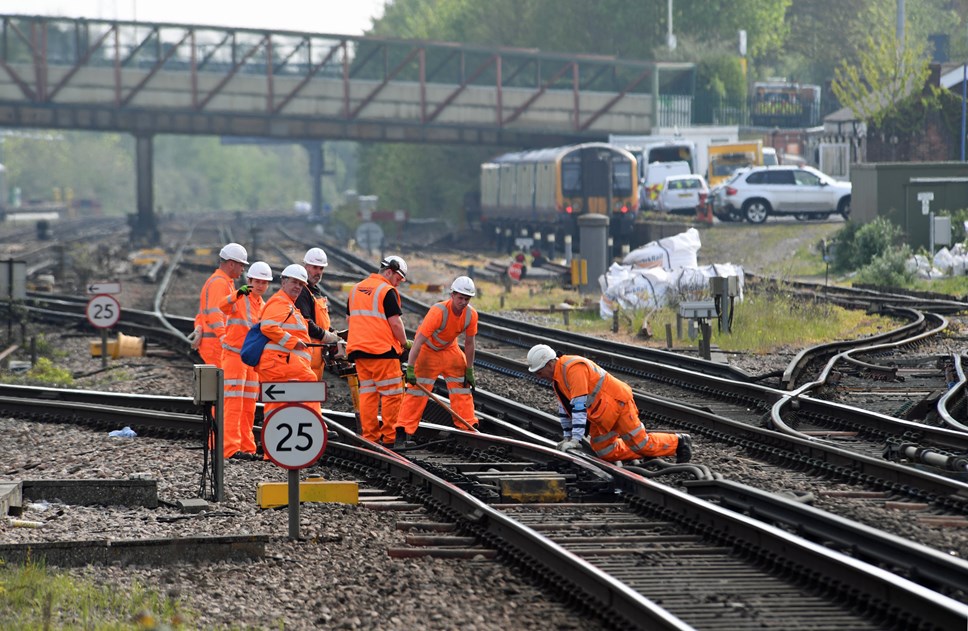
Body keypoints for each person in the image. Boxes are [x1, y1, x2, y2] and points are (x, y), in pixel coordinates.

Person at [526, 344, 692, 464]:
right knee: (605, 451)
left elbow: (578, 406)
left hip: (618, 405)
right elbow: (565, 409)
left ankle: (678, 442)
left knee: (642, 444)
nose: (540, 376)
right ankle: (642, 453)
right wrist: (567, 436)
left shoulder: (573, 368)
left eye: (540, 372)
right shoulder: (557, 379)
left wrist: (575, 439)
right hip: (602, 414)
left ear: (549, 364)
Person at [396, 276, 479, 448]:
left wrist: (469, 370)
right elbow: (418, 341)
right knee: (416, 392)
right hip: (427, 351)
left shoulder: (471, 315)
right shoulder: (438, 311)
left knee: (462, 387)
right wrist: (410, 368)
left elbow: (470, 343)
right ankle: (402, 432)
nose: (463, 302)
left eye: (467, 299)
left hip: (450, 350)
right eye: (460, 298)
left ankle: (469, 428)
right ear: (452, 295)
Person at [345, 256, 410, 445]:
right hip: (382, 351)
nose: (397, 284)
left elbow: (350, 320)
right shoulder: (386, 291)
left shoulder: (356, 289)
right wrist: (404, 343)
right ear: (389, 271)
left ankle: (370, 437)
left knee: (368, 393)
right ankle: (390, 438)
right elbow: (395, 323)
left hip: (360, 352)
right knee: (392, 394)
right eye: (398, 279)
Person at [218, 261, 272, 461]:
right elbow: (222, 306)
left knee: (248, 405)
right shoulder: (240, 298)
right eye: (257, 281)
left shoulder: (264, 306)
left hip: (250, 362)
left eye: (264, 283)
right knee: (233, 404)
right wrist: (236, 294)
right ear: (249, 281)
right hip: (233, 357)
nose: (260, 286)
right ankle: (230, 448)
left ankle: (246, 447)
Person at [256, 264, 320, 420]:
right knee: (309, 383)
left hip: (283, 363)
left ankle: (277, 432)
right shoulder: (279, 303)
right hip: (279, 363)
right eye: (294, 282)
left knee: (280, 402)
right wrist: (293, 342)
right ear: (283, 282)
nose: (298, 287)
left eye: (301, 284)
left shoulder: (289, 305)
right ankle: (314, 423)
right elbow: (268, 327)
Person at [192, 243, 248, 368]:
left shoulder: (223, 282)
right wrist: (223, 337)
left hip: (216, 343)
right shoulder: (219, 283)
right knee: (222, 385)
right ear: (231, 264)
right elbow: (214, 313)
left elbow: (204, 313)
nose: (243, 269)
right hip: (216, 344)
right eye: (241, 265)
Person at [295, 247, 340, 380]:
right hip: (307, 353)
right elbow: (306, 323)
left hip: (316, 354)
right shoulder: (303, 291)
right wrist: (327, 336)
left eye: (321, 268)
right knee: (306, 396)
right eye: (315, 267)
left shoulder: (315, 291)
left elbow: (318, 320)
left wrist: (332, 332)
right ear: (306, 266)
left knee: (313, 396)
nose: (318, 272)